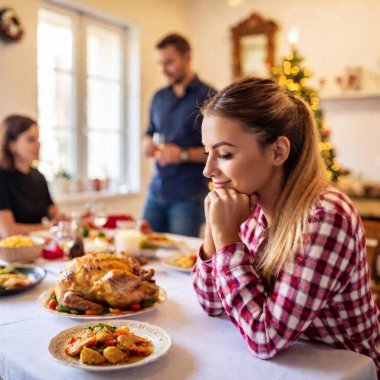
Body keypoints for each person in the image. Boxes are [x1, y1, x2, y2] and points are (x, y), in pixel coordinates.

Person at [192, 78, 380, 372]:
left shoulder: (326, 216)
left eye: (225, 154)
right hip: (288, 364)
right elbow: (212, 304)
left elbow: (265, 337)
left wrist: (228, 238)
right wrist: (215, 233)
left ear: (278, 151)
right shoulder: (247, 207)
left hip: (345, 371)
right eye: (208, 153)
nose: (208, 169)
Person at [142, 33, 216, 237]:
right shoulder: (159, 97)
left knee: (180, 259)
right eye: (161, 63)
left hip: (189, 195)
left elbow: (218, 152)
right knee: (140, 248)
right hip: (156, 190)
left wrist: (182, 154)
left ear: (187, 57)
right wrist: (147, 142)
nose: (164, 69)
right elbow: (149, 132)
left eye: (169, 62)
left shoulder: (210, 97)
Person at [0, 114, 63, 237]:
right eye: (30, 140)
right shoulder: (2, 177)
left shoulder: (38, 176)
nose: (38, 145)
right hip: (11, 252)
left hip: (38, 246)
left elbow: (54, 214)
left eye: (38, 139)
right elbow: (8, 230)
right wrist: (48, 227)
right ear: (12, 145)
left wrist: (66, 219)